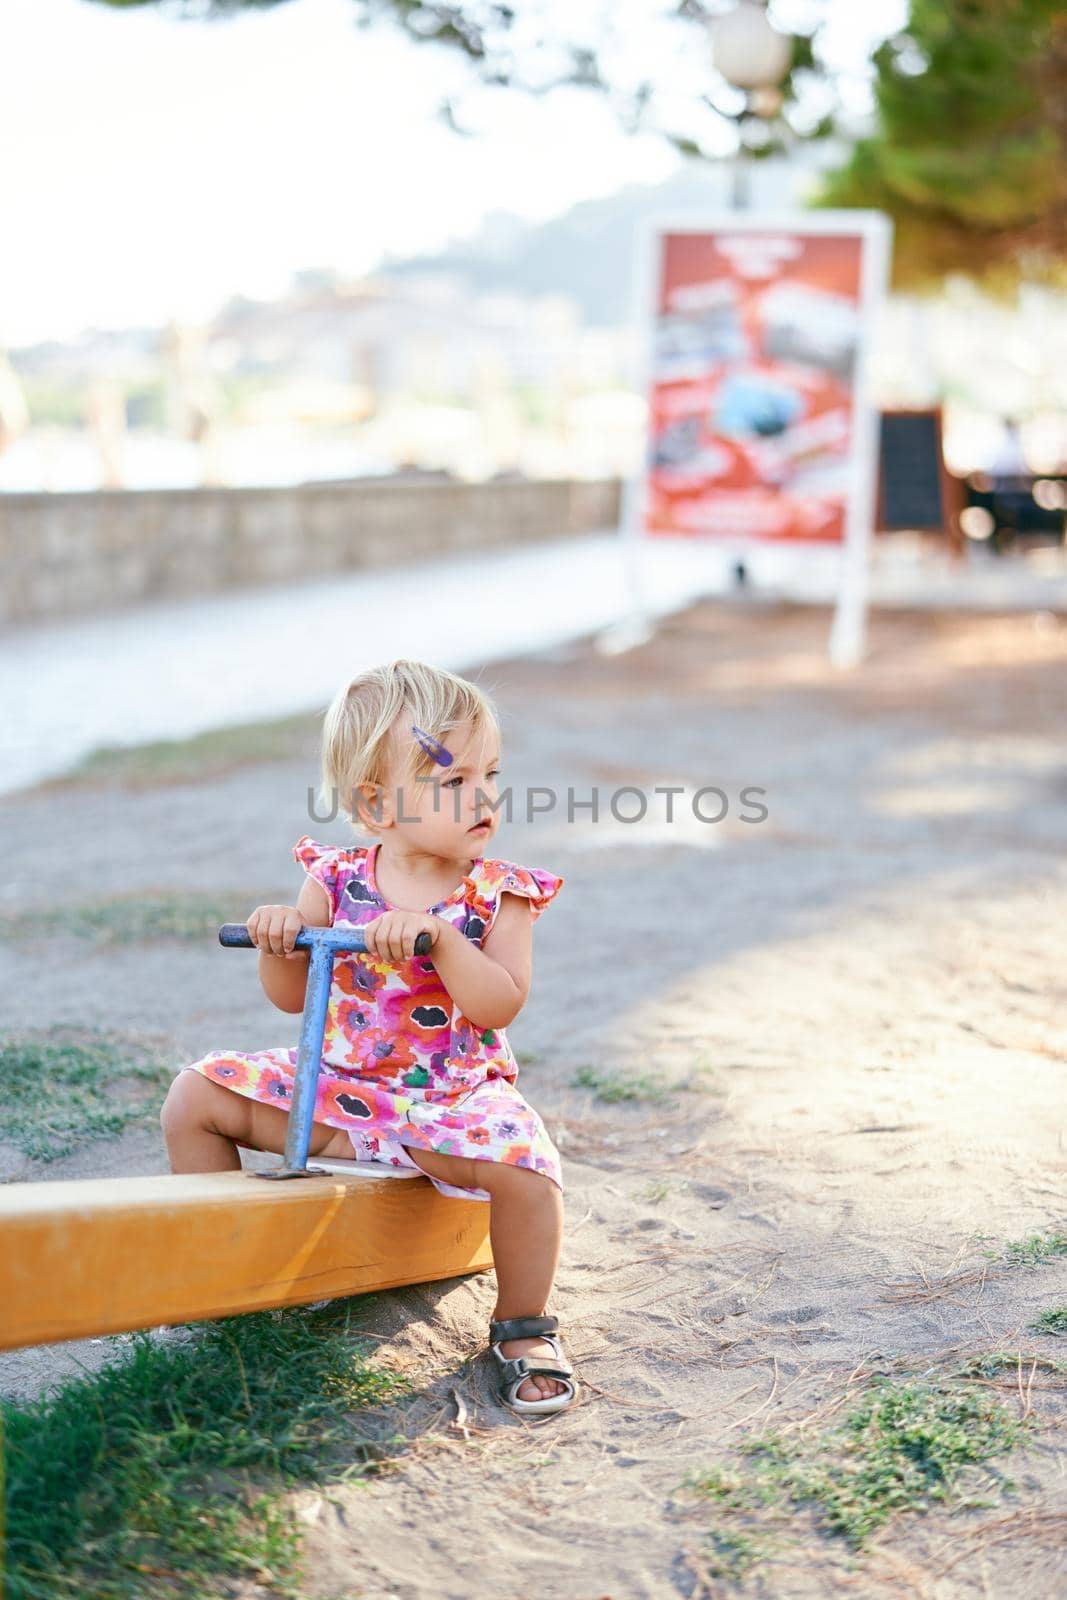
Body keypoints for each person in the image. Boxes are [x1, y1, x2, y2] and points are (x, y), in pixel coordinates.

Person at [160, 658, 578, 1415]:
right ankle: (224, 1274)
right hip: (341, 1090)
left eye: (489, 773)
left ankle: (522, 1328)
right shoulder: (335, 875)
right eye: (452, 782)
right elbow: (292, 998)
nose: (482, 796)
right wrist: (280, 939)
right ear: (375, 803)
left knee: (527, 1171)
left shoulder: (499, 893)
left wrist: (443, 943)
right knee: (192, 1098)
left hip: (445, 1100)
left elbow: (498, 1006)